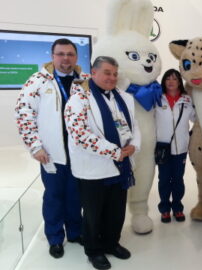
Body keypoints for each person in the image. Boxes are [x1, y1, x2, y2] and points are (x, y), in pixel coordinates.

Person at [64, 56, 140, 270]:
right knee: (93, 213)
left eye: (115, 73)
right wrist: (115, 151)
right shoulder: (78, 100)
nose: (112, 77)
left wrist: (134, 146)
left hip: (120, 166)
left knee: (116, 210)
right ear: (93, 72)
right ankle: (94, 249)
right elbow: (79, 135)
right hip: (93, 168)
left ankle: (111, 242)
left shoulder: (124, 98)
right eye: (107, 72)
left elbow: (135, 128)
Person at [14, 38, 86, 259]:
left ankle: (75, 232)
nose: (66, 58)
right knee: (54, 197)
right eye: (61, 54)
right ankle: (55, 238)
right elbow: (23, 113)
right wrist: (35, 146)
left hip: (79, 153)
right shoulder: (37, 82)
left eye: (70, 54)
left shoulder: (83, 81)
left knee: (76, 196)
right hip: (52, 154)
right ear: (53, 56)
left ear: (76, 57)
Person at [155, 69, 195, 223]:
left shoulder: (186, 99)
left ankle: (178, 208)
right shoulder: (158, 99)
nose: (171, 82)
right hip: (162, 148)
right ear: (164, 81)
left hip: (181, 149)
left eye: (174, 79)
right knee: (164, 179)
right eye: (168, 79)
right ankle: (164, 209)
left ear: (179, 82)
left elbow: (195, 118)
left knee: (178, 179)